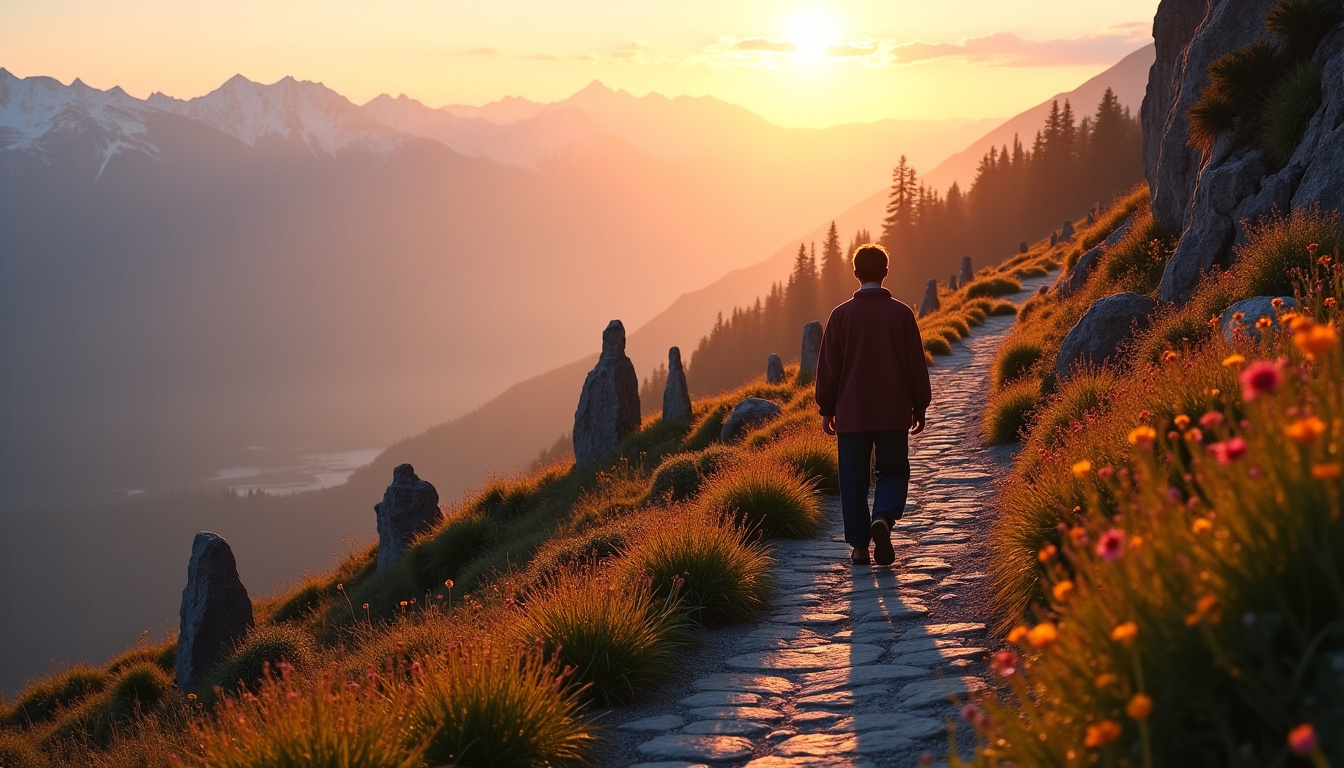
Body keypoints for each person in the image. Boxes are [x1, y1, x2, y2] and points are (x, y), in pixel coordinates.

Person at [814, 243, 931, 566]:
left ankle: (859, 548)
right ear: (886, 272)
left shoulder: (840, 316)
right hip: (893, 412)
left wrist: (826, 409)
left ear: (855, 273)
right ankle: (882, 517)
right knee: (893, 471)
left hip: (851, 414)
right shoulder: (902, 314)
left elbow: (829, 367)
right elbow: (915, 365)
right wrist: (920, 406)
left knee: (852, 479)